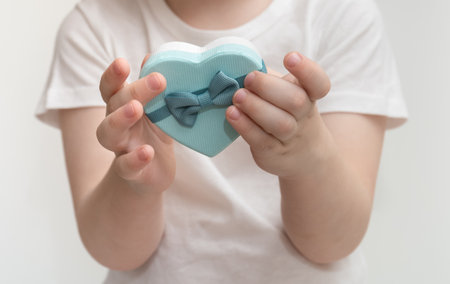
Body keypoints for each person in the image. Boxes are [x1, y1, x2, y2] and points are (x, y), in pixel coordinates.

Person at [36, 0, 408, 282]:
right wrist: (136, 182)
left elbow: (334, 243)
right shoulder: (92, 26)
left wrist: (309, 159)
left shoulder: (341, 15)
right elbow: (114, 251)